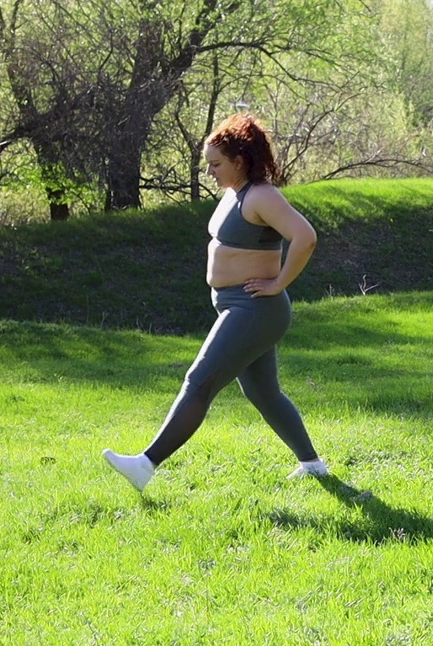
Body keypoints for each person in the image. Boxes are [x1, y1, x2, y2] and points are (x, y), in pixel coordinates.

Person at [103, 113, 328, 492]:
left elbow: (305, 237)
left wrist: (278, 283)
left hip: (255, 307)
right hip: (238, 306)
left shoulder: (262, 196)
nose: (209, 171)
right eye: (207, 163)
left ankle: (146, 464)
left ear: (239, 161)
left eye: (216, 163)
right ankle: (313, 464)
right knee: (261, 391)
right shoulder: (234, 194)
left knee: (199, 381)